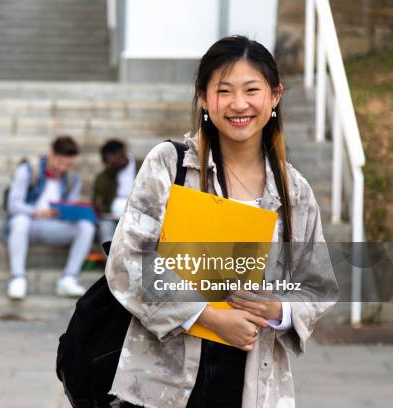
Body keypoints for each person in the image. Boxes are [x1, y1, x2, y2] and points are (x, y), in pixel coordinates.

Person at [105, 36, 338, 407]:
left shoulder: (294, 191)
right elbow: (129, 260)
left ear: (275, 96)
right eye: (224, 90)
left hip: (254, 380)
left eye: (252, 90)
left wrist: (280, 310)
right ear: (203, 98)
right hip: (164, 382)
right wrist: (209, 316)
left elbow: (317, 286)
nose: (238, 104)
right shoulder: (171, 164)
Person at [5, 135, 96, 300]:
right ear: (50, 153)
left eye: (67, 164)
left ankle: (69, 278)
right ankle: (17, 277)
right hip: (29, 224)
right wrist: (37, 212)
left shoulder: (72, 178)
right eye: (60, 162)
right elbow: (13, 205)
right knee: (19, 221)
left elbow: (71, 205)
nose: (62, 168)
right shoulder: (28, 170)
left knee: (86, 226)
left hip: (55, 226)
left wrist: (70, 211)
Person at [92, 139, 141, 245]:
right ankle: (110, 260)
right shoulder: (104, 177)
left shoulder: (144, 166)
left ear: (121, 155)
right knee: (105, 227)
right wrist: (100, 207)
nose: (108, 166)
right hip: (112, 217)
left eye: (110, 162)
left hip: (140, 215)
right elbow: (97, 203)